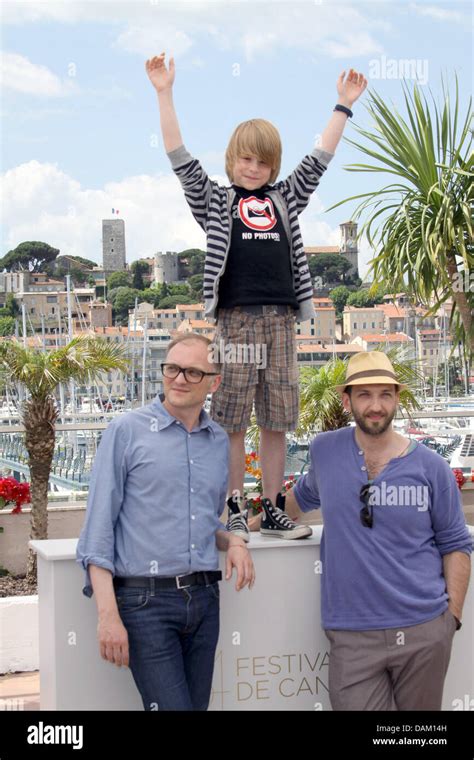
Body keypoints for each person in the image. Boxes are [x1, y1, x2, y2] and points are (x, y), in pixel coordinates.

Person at [145, 52, 367, 541]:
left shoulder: (284, 199)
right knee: (231, 421)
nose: (254, 167)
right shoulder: (216, 201)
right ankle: (233, 507)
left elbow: (320, 159)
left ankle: (271, 508)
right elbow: (178, 155)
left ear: (273, 167)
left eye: (263, 161)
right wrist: (164, 92)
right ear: (232, 160)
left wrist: (343, 105)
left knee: (276, 420)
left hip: (282, 322)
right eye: (246, 159)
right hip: (237, 321)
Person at [283, 350, 472, 710]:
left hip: (423, 628)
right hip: (351, 634)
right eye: (365, 395)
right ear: (347, 400)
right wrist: (247, 524)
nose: (376, 406)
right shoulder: (326, 451)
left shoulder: (432, 468)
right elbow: (300, 499)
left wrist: (451, 621)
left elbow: (456, 543)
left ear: (396, 399)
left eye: (385, 394)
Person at [76, 333, 255, 711]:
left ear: (214, 382)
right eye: (172, 368)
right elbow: (98, 529)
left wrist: (235, 541)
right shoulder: (126, 431)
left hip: (205, 600)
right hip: (145, 604)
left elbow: (206, 523)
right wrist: (107, 616)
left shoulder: (217, 441)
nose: (179, 379)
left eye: (193, 372)